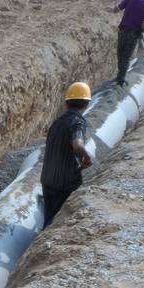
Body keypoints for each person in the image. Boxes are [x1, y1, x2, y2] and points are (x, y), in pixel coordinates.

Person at [41, 82, 94, 228]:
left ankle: (43, 236)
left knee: (49, 216)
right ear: (87, 104)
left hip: (48, 179)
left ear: (66, 103)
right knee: (61, 221)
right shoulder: (78, 122)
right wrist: (87, 157)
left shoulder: (57, 123)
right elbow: (77, 144)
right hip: (65, 182)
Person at [113, 0, 144, 87]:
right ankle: (121, 78)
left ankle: (120, 76)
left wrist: (115, 6)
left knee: (120, 54)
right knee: (126, 56)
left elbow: (117, 9)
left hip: (122, 31)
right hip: (133, 34)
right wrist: (142, 31)